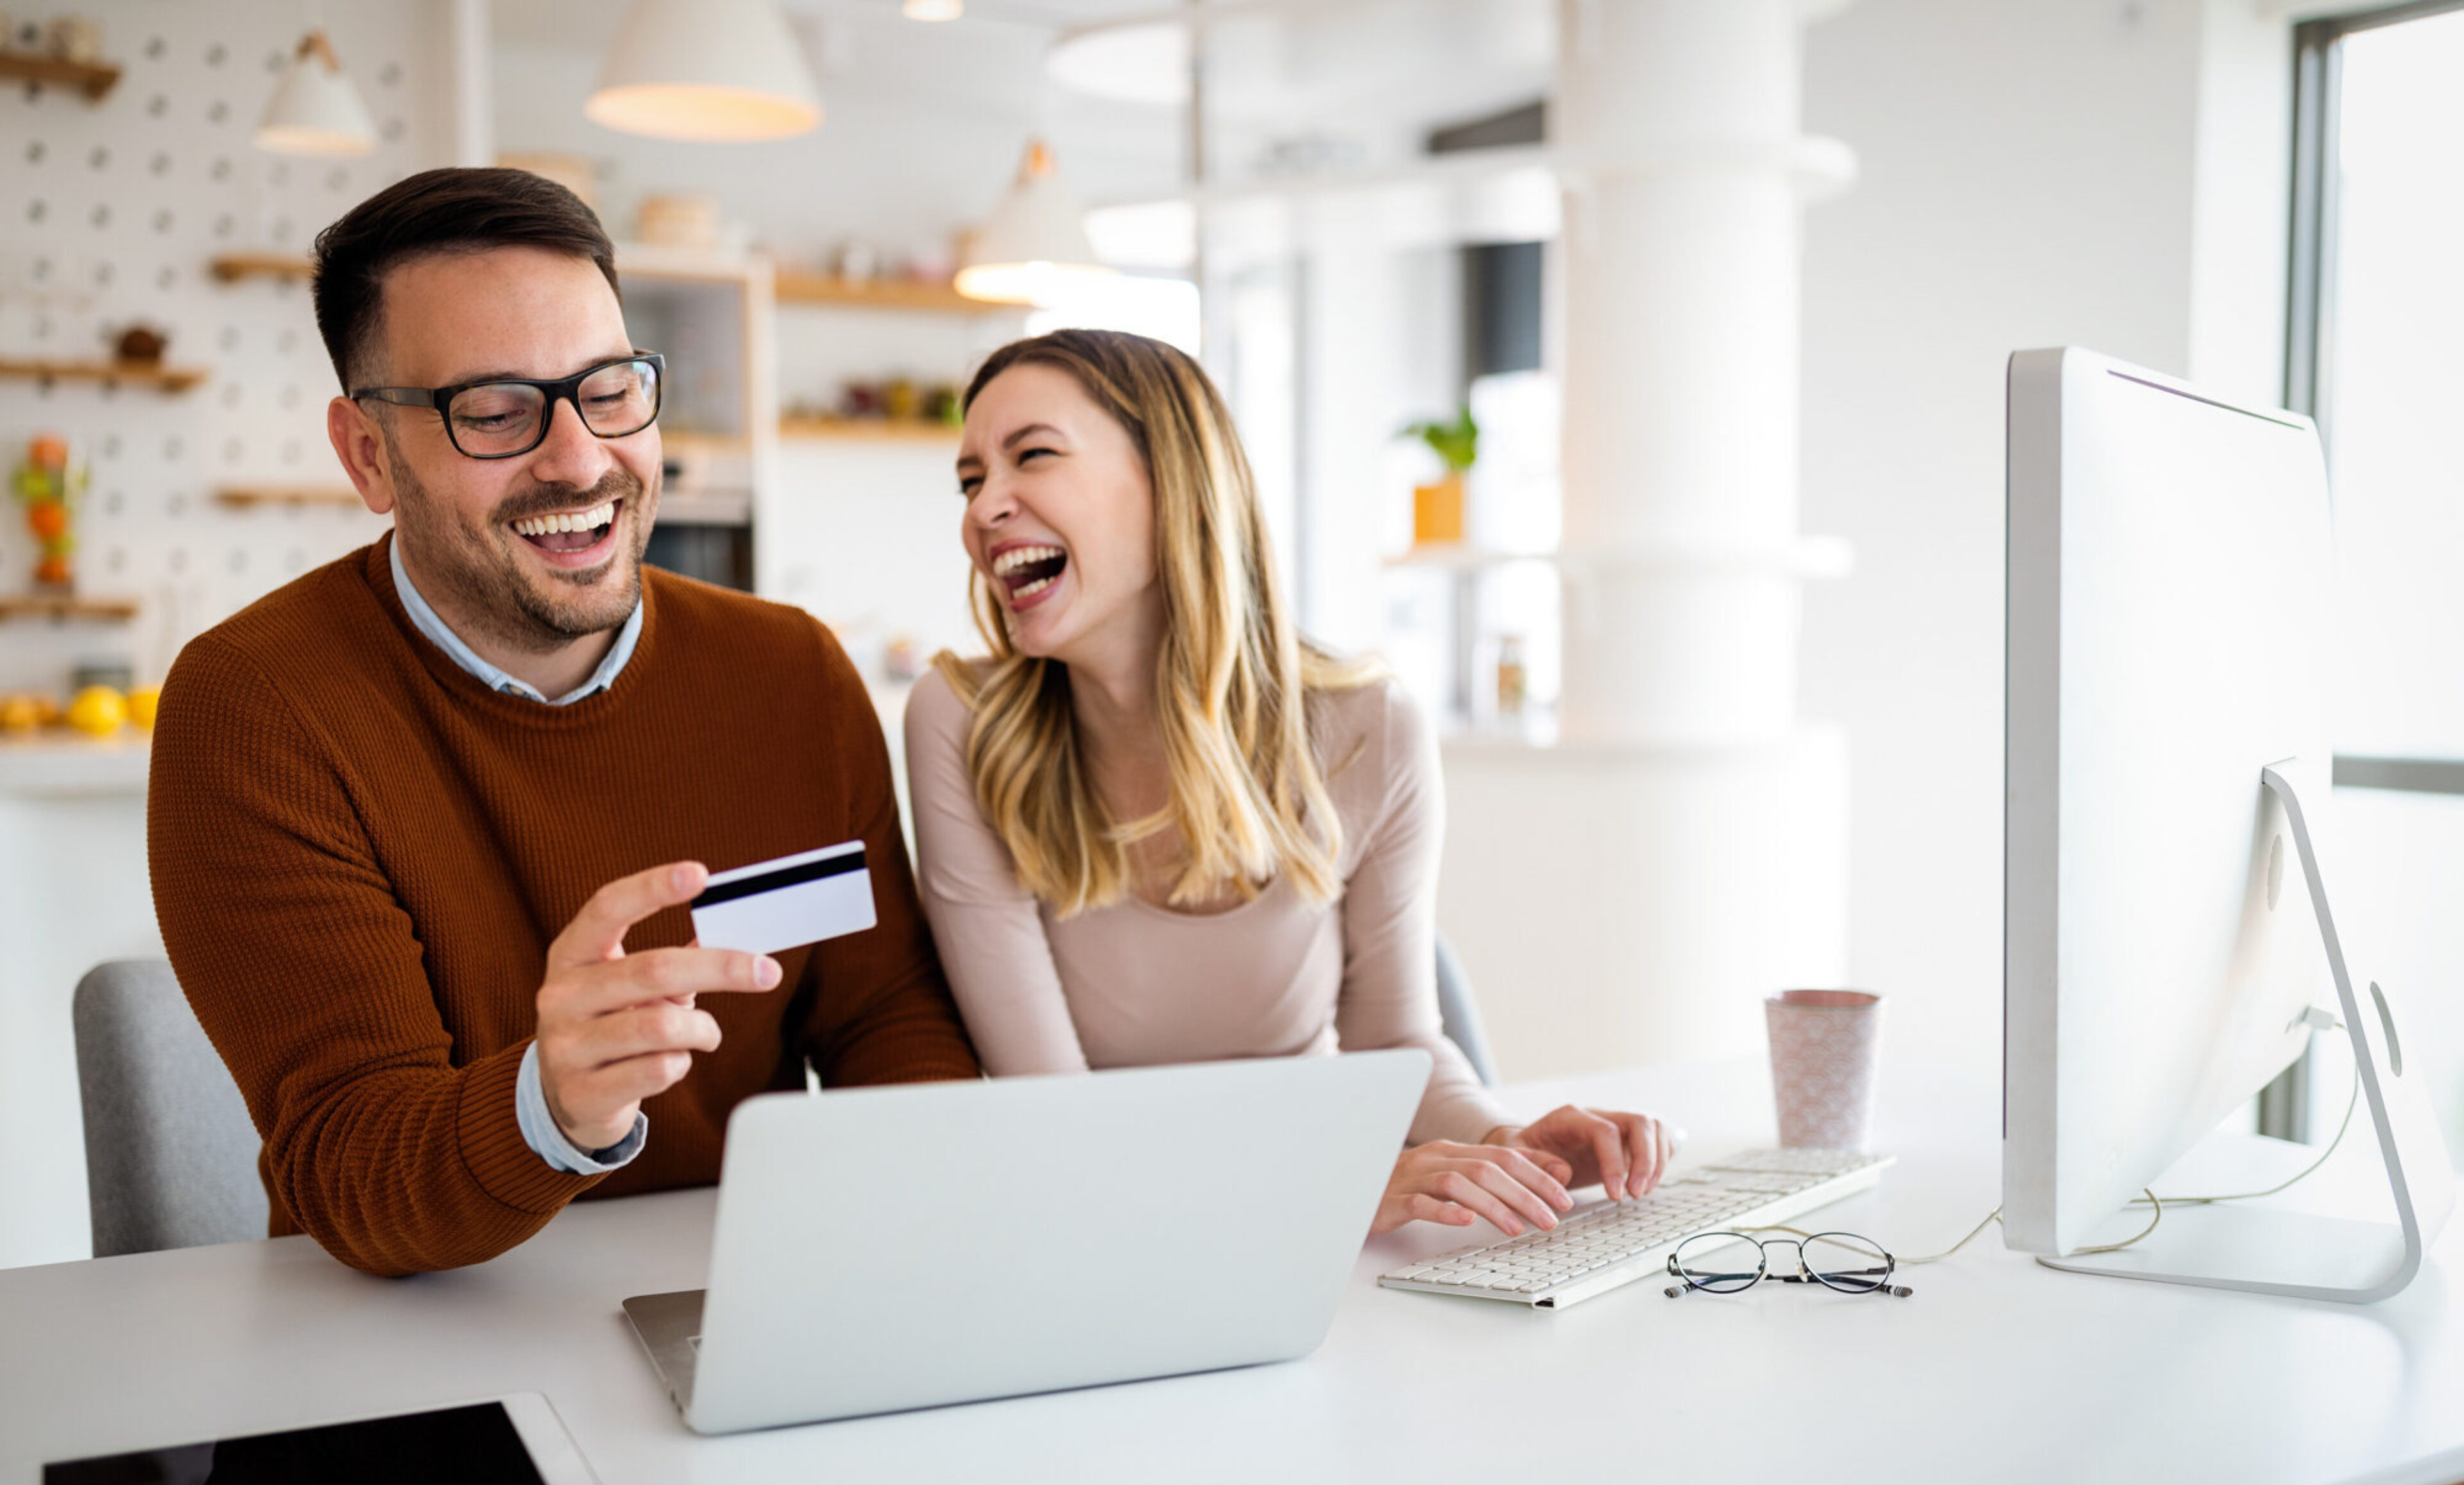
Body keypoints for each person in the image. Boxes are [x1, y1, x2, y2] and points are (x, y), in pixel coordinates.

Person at [148, 169, 977, 1278]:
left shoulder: (792, 675)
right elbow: (349, 1161)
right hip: (414, 1361)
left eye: (610, 389)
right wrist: (547, 1105)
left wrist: (913, 1253)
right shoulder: (257, 708)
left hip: (742, 1300)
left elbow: (888, 1023)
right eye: (494, 412)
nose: (582, 458)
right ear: (367, 457)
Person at [905, 329, 1671, 1240]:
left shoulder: (1372, 729)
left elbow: (1396, 1045)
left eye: (1032, 456)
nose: (985, 507)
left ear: (1174, 481)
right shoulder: (964, 724)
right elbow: (1058, 1120)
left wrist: (1514, 1144)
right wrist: (1330, 1185)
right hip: (1112, 1234)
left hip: (1316, 1242)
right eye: (969, 479)